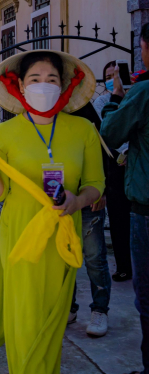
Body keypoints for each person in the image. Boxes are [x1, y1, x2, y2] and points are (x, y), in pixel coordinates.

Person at [0, 49, 105, 374]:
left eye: (51, 79)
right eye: (35, 79)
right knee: (24, 323)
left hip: (62, 242)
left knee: (52, 324)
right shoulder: (3, 134)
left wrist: (77, 200)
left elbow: (96, 183)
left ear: (64, 84)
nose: (43, 85)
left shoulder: (82, 131)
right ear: (21, 87)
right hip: (20, 240)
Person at [100, 22, 149, 374]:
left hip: (146, 210)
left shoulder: (142, 92)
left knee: (147, 297)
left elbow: (111, 131)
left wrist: (117, 97)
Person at [67, 102, 111, 337]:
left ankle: (100, 310)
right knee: (65, 256)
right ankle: (68, 307)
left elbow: (104, 152)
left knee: (94, 256)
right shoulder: (46, 118)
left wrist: (101, 191)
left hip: (89, 199)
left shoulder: (85, 113)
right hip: (61, 200)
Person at [94, 60, 132, 282]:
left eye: (115, 75)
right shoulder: (101, 102)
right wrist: (123, 153)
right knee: (118, 218)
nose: (112, 79)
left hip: (134, 164)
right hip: (114, 165)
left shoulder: (135, 97)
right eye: (108, 76)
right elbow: (106, 131)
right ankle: (123, 266)